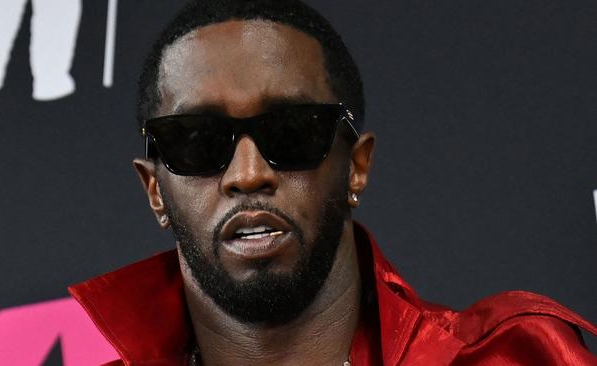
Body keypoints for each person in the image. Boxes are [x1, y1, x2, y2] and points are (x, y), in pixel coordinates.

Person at [68, 0, 597, 364]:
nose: (248, 174)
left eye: (293, 133)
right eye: (198, 142)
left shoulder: (512, 358)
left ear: (357, 166)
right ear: (155, 190)